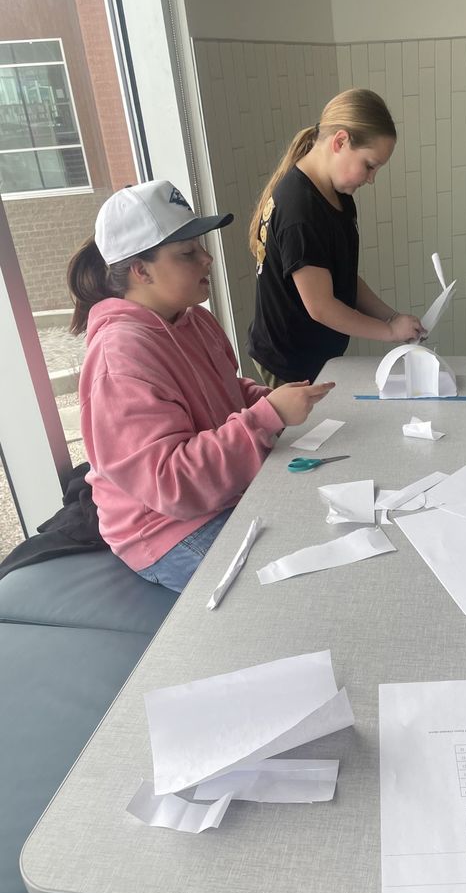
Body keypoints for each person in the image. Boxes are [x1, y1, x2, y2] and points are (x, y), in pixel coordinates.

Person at [69, 179, 334, 592]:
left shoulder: (192, 318)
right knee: (300, 589)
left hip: (221, 494)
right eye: (188, 253)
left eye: (201, 247)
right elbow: (171, 483)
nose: (208, 259)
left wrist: (265, 400)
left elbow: (223, 392)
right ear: (140, 270)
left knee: (329, 524)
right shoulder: (119, 359)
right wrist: (268, 417)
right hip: (167, 531)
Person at [247, 88, 426, 386]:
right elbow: (322, 306)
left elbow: (343, 279)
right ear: (340, 141)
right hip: (289, 364)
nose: (371, 178)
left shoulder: (337, 196)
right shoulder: (300, 211)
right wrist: (390, 332)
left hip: (317, 357)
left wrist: (392, 318)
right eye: (369, 165)